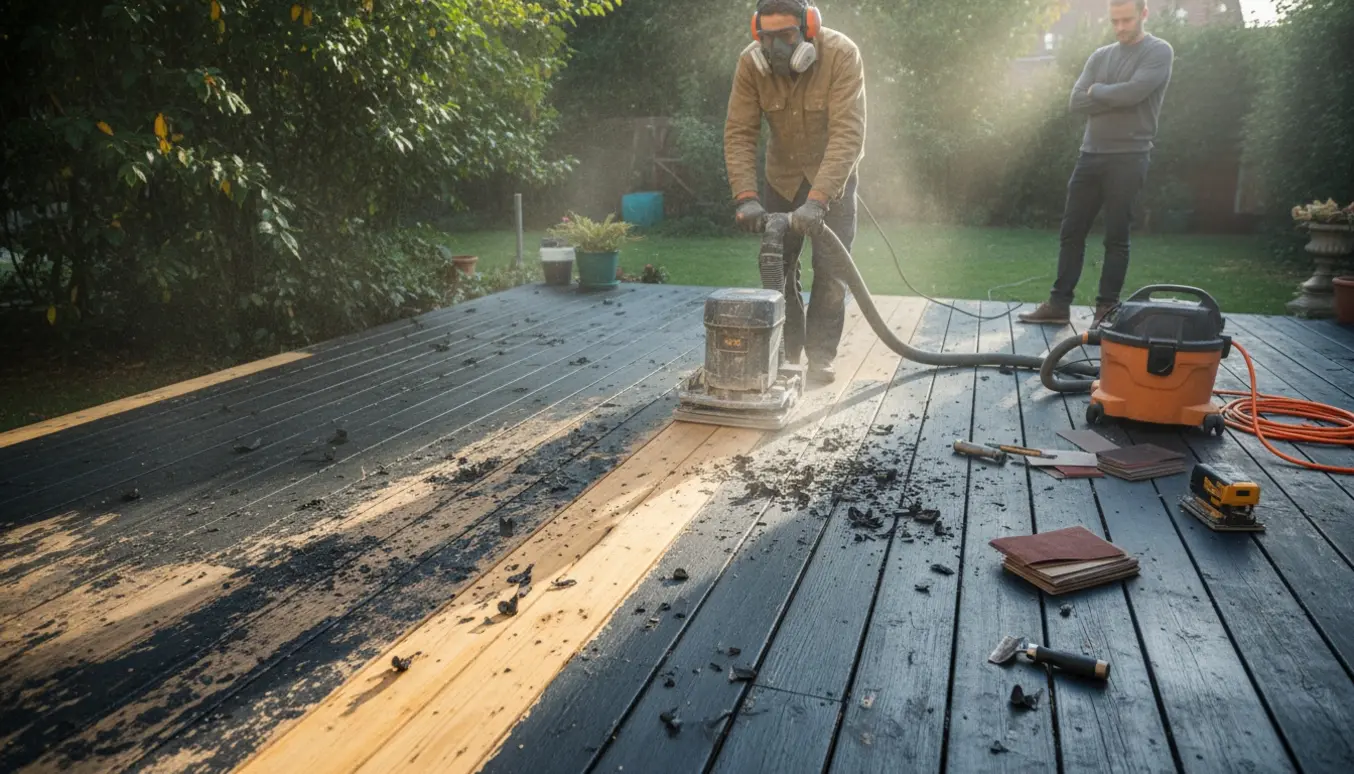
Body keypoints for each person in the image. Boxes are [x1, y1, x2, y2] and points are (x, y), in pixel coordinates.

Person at [724, 0, 866, 385]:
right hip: (781, 178)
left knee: (833, 273)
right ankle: (787, 352)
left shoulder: (841, 54)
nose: (776, 49)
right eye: (767, 39)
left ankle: (821, 356)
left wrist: (819, 198)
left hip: (832, 181)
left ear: (808, 29)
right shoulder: (751, 65)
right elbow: (739, 133)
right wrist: (746, 196)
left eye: (786, 36)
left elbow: (847, 135)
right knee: (778, 272)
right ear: (758, 35)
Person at [1019, 0, 1173, 328]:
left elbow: (1133, 93)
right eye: (1114, 21)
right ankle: (1059, 305)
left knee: (1116, 236)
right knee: (1071, 231)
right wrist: (1112, 96)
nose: (1119, 28)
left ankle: (1106, 309)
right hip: (1090, 155)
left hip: (1130, 157)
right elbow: (1076, 101)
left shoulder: (1159, 52)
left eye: (1126, 20)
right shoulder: (1100, 56)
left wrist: (1099, 91)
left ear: (1143, 14)